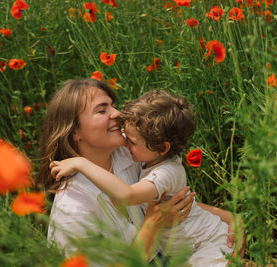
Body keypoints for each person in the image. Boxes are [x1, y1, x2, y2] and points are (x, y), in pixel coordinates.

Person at [37, 79, 240, 264]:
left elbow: (172, 199)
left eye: (112, 105)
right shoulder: (73, 209)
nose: (116, 114)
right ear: (75, 133)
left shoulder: (128, 153)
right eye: (101, 110)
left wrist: (230, 218)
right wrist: (153, 225)